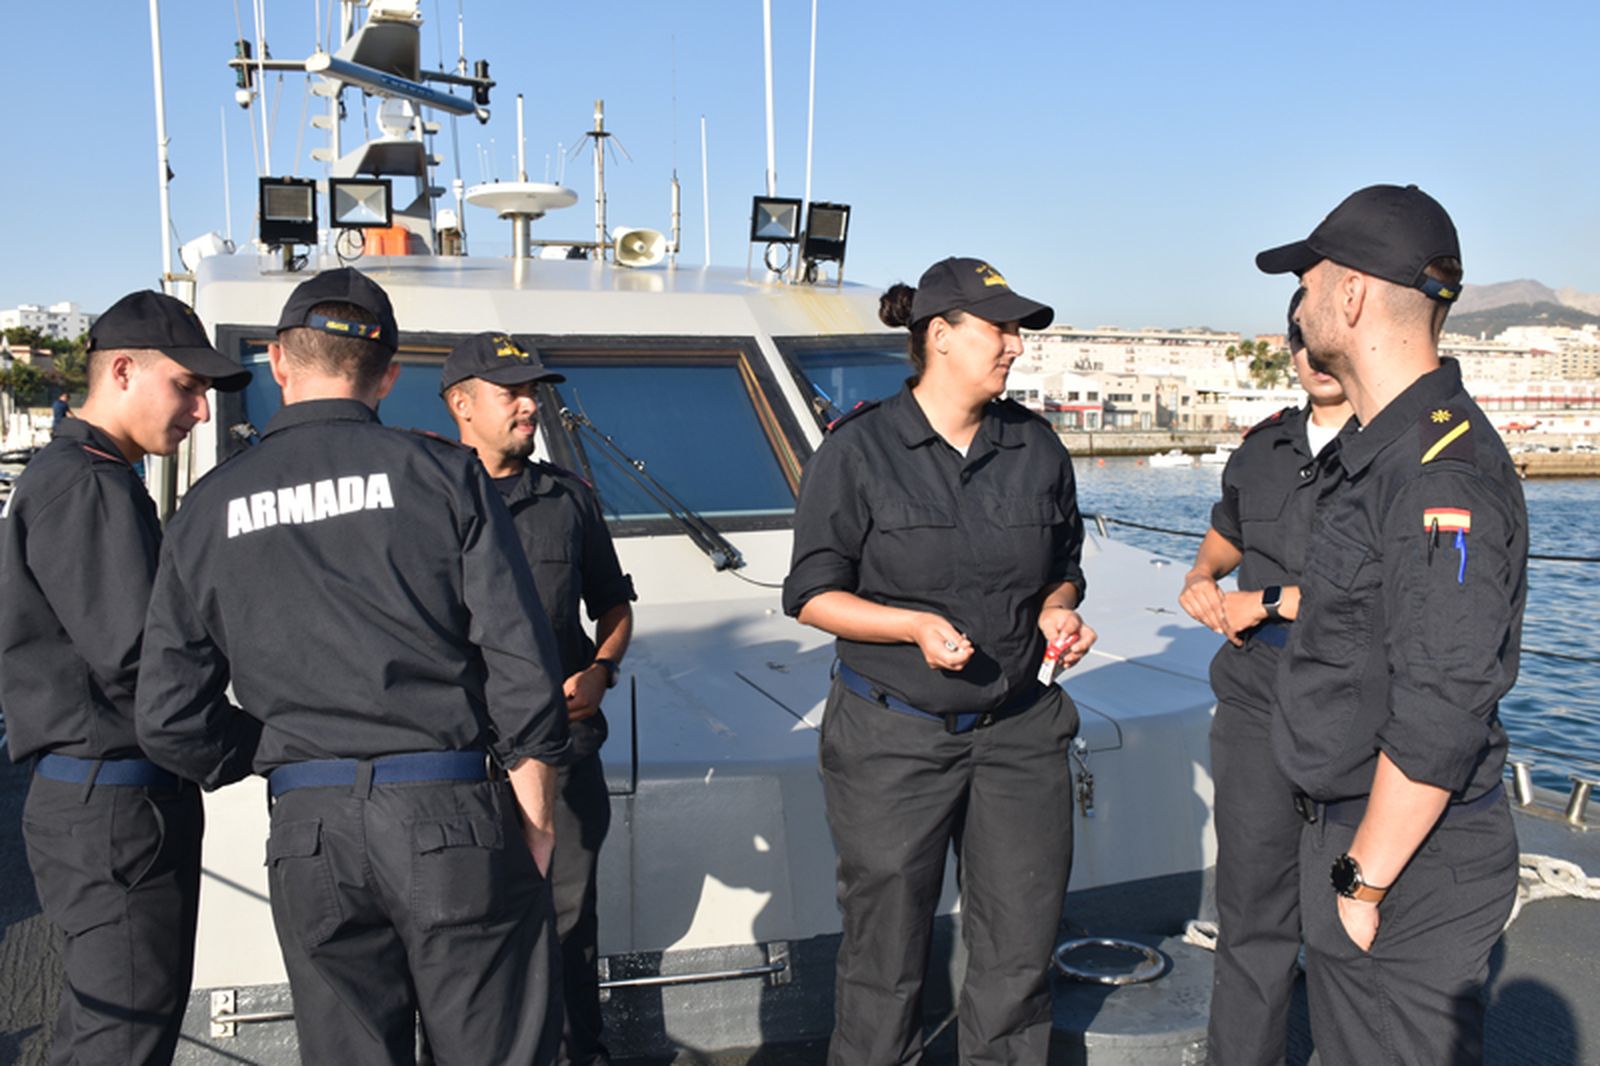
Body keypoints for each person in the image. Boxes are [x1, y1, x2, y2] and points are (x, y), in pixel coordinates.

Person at [134, 269, 572, 1065]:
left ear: (277, 362)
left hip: (309, 828)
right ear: (390, 375)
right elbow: (522, 666)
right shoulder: (445, 478)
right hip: (449, 812)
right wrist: (537, 823)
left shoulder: (207, 507)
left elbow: (168, 714)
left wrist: (274, 750)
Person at [783, 257, 1096, 1065]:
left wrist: (1061, 608)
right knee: (883, 960)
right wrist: (911, 625)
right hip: (894, 739)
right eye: (1000, 330)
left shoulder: (1037, 446)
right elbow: (813, 594)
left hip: (1021, 734)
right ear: (940, 336)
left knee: (1019, 953)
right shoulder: (855, 453)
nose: (1016, 348)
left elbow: (1065, 561)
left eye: (1017, 332)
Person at [1256, 184, 1526, 1063]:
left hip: (1403, 863)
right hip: (1357, 835)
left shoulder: (1439, 475)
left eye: (1307, 279)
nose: (1298, 304)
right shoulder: (1382, 453)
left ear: (1353, 294)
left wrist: (1361, 883)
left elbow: (1445, 703)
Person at [0, 290, 252, 1065]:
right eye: (188, 387)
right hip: (114, 806)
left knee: (105, 1033)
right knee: (123, 1040)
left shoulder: (90, 475)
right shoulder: (88, 485)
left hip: (105, 800)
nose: (201, 412)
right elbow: (142, 660)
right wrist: (271, 739)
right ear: (121, 370)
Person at [440, 332, 636, 1066]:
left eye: (534, 391)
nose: (530, 405)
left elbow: (612, 610)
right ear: (461, 404)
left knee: (568, 923)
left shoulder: (568, 501)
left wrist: (602, 671)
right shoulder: (421, 497)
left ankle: (577, 1054)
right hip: (460, 763)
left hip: (563, 753)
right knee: (461, 934)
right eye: (510, 393)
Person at [1178, 289, 1353, 1066]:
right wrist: (1202, 576)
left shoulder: (1400, 454)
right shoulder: (1262, 448)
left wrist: (1273, 599)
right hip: (1255, 702)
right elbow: (1225, 535)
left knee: (1353, 922)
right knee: (1251, 915)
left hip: (1355, 705)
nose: (1312, 360)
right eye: (1299, 345)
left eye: (1323, 344)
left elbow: (1396, 599)